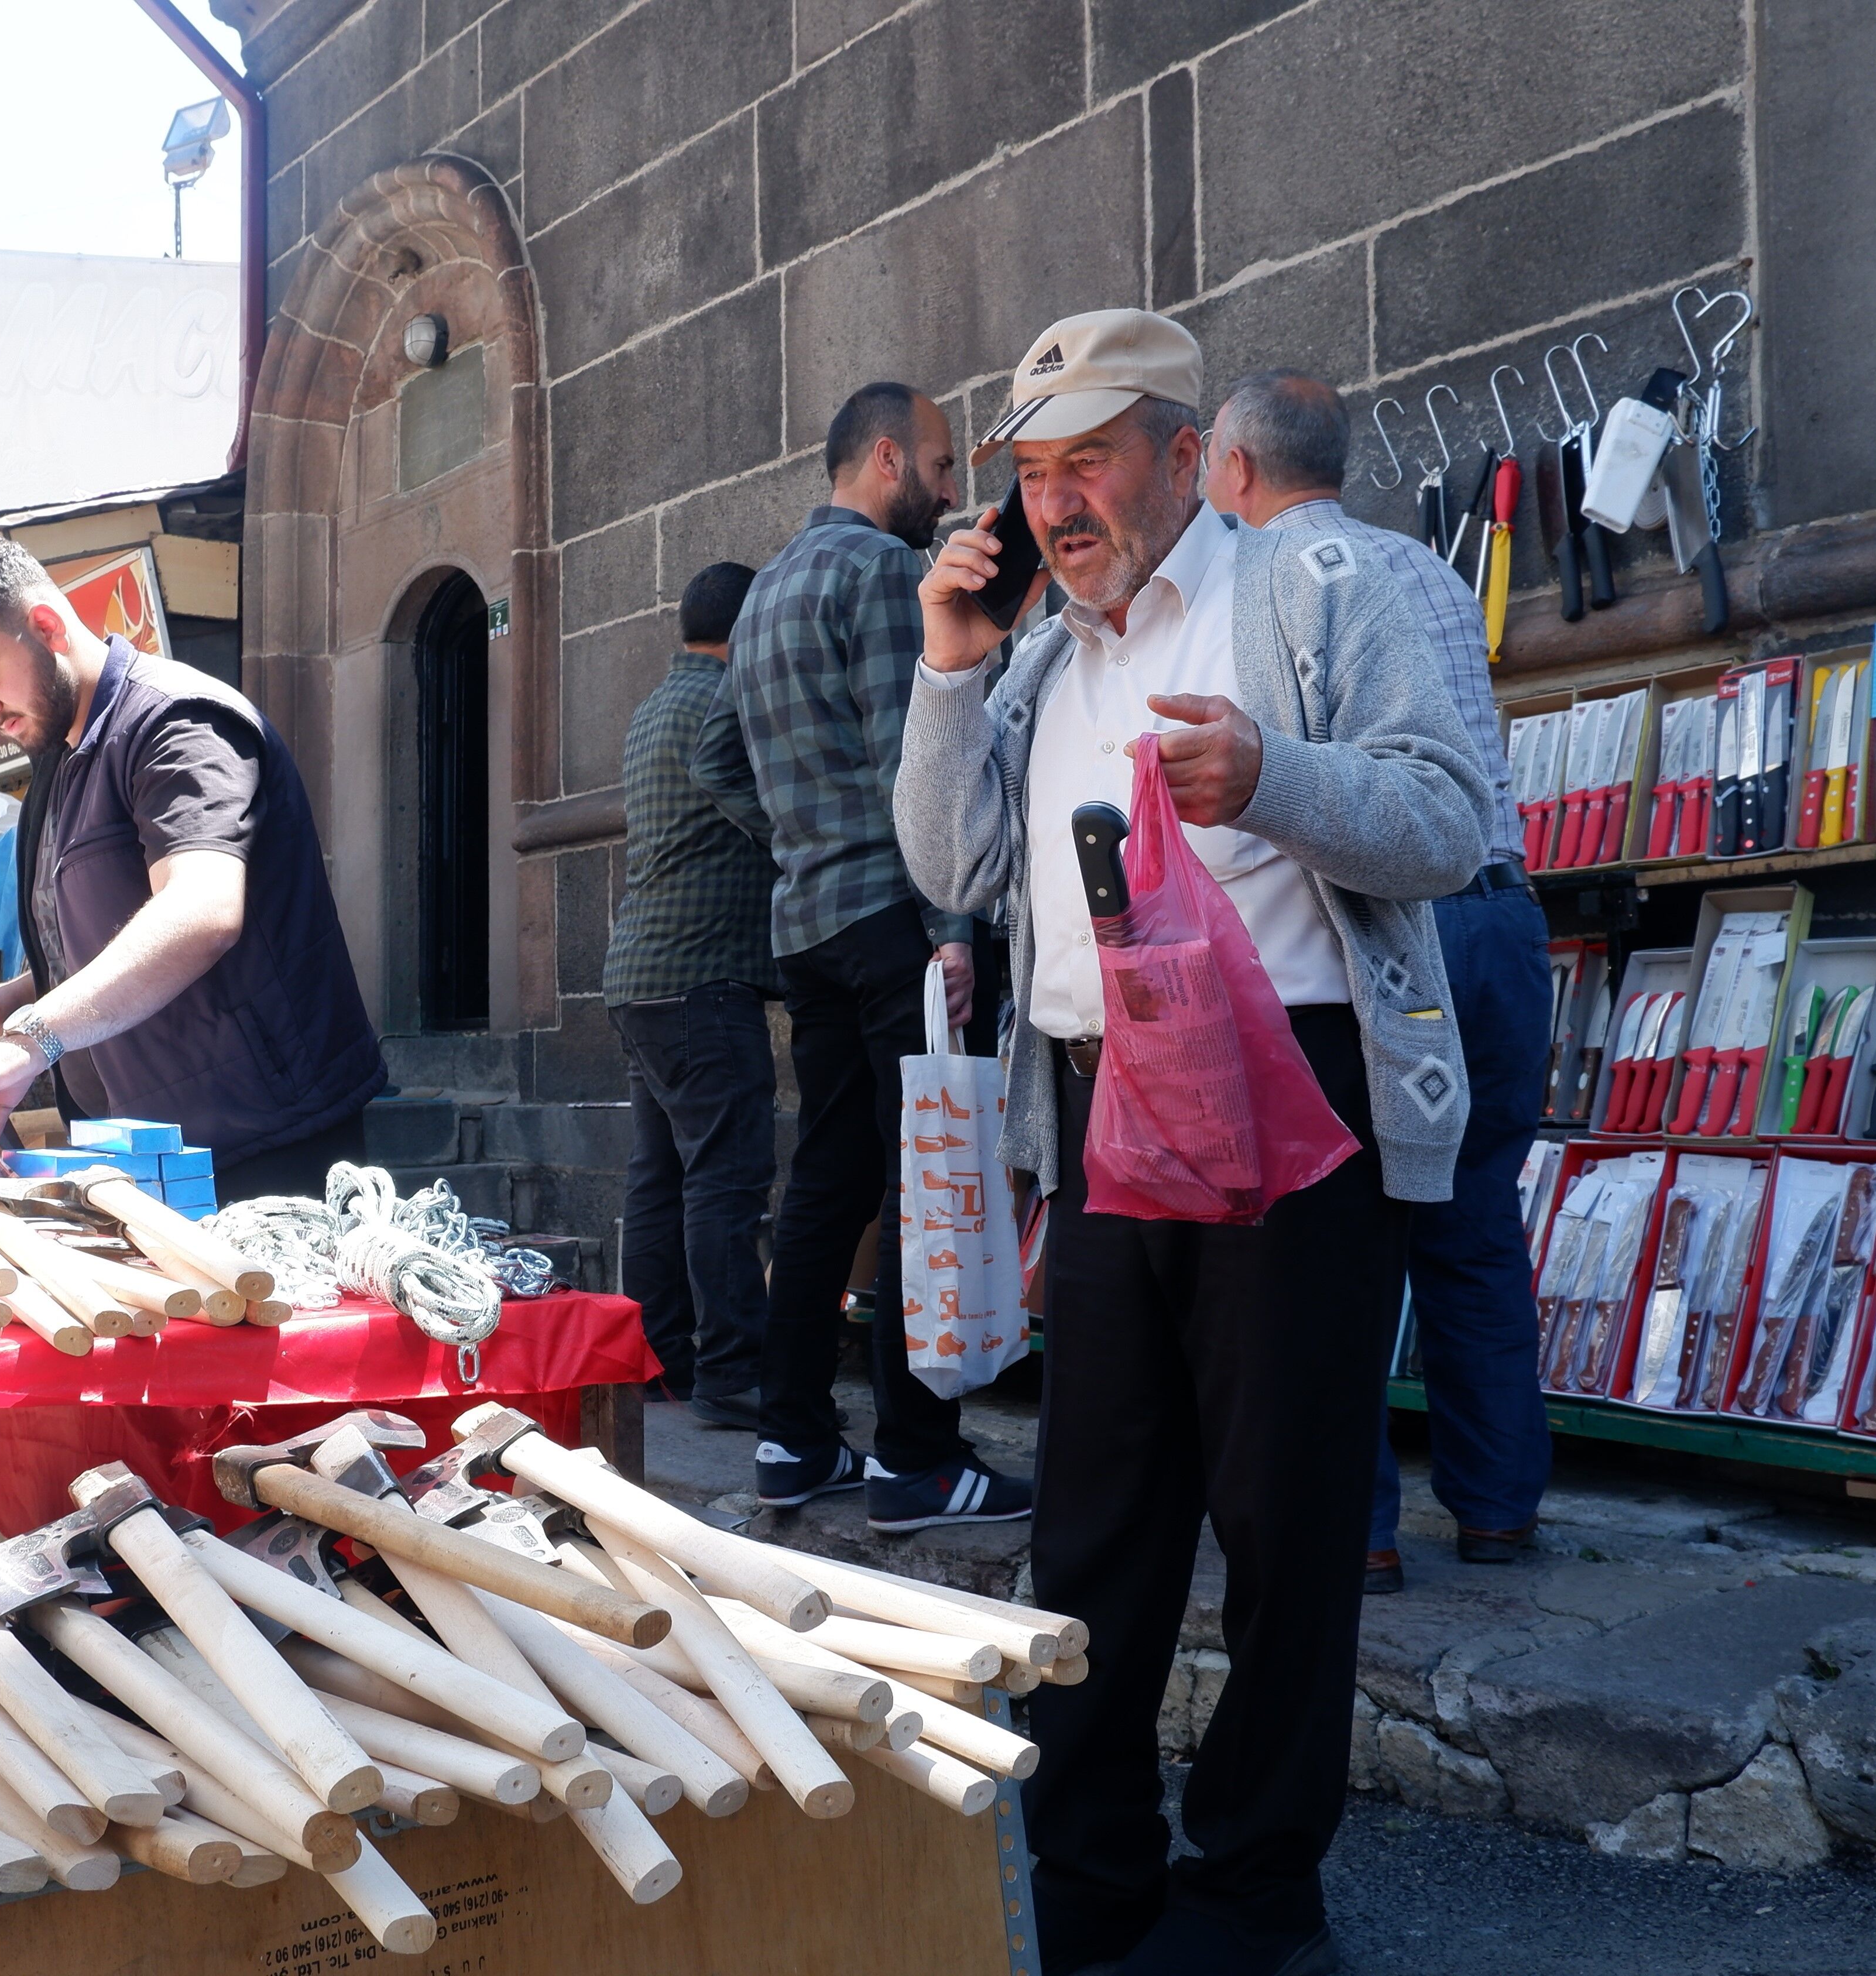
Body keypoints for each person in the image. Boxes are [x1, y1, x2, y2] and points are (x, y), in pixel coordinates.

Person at [896, 310, 1492, 1976]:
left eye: (1090, 460)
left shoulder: (1317, 587)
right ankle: (1091, 1883)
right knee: (1094, 1517)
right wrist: (949, 659)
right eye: (1031, 473)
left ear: (1182, 453)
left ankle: (1253, 1895)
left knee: (1284, 1518)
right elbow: (948, 858)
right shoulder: (1031, 651)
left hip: (1297, 1087)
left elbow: (1452, 820)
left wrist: (1276, 778)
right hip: (1099, 1100)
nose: (1058, 502)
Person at [1206, 370, 1554, 1593]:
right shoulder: (1436, 573)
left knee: (1336, 1237)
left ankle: (1353, 1530)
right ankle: (1501, 1506)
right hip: (1501, 914)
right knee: (1474, 1223)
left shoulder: (1260, 583)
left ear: (1236, 469)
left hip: (1386, 925)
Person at [697, 381, 1030, 1532]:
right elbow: (918, 752)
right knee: (924, 1174)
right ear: (885, 457)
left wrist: (800, 836)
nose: (951, 492)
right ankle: (916, 1459)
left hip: (809, 922)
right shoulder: (886, 574)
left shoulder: (767, 592)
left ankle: (793, 1439)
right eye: (941, 466)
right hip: (895, 912)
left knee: (830, 1181)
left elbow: (716, 762)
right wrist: (951, 927)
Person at [0, 531, 386, 1198]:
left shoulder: (178, 723)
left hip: (268, 1150)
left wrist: (31, 1038)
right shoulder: (56, 758)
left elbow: (201, 911)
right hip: (146, 1152)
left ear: (45, 625)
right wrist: (16, 996)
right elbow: (111, 929)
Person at [603, 562, 780, 1425]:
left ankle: (661, 1359)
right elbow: (771, 817)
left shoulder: (651, 709)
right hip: (701, 978)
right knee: (726, 1180)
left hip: (639, 979)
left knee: (659, 1181)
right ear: (747, 629)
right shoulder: (726, 705)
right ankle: (733, 1375)